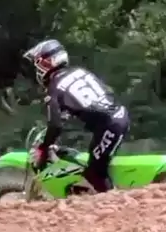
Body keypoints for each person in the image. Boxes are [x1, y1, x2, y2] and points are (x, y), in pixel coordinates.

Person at [23, 38, 130, 193]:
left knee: (95, 173)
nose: (38, 70)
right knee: (88, 161)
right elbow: (103, 95)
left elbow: (55, 125)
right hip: (118, 115)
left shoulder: (54, 88)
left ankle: (116, 201)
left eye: (40, 64)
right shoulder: (79, 72)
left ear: (50, 62)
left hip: (110, 126)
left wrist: (44, 147)